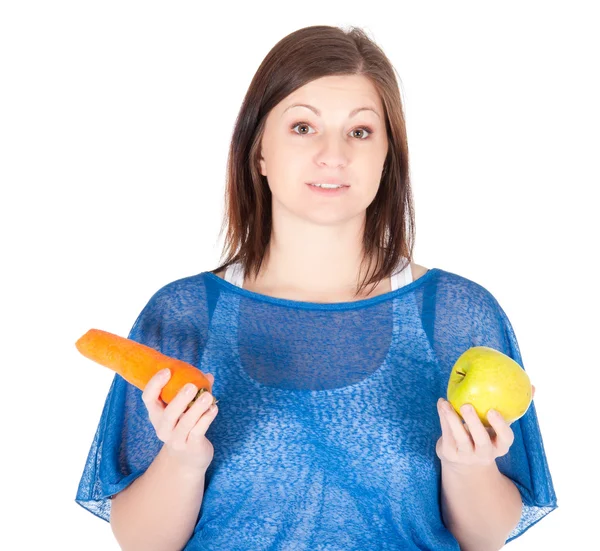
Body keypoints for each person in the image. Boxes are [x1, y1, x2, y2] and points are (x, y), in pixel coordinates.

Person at [75, 24, 558, 551]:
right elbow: (143, 543)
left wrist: (470, 469)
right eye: (303, 127)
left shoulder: (455, 317)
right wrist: (182, 460)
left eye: (360, 131)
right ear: (259, 152)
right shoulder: (183, 316)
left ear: (387, 157)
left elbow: (487, 538)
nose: (334, 154)